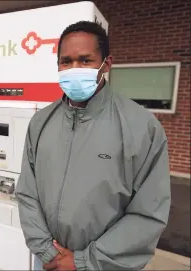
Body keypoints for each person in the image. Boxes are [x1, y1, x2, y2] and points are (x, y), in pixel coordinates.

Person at [15, 21, 171, 271]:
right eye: (66, 62)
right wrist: (46, 251)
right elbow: (27, 192)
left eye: (85, 60)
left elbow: (148, 213)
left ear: (106, 64)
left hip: (106, 265)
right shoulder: (41, 122)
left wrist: (84, 261)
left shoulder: (142, 127)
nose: (74, 68)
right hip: (49, 261)